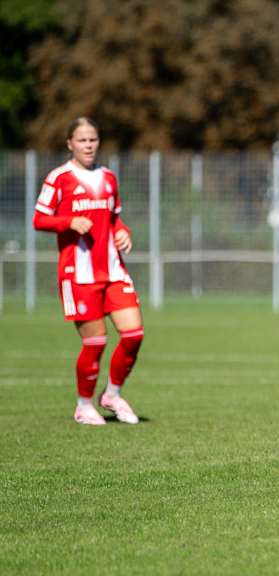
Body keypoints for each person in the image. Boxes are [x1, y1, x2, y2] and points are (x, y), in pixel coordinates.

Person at [33, 117, 144, 426]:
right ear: (70, 143)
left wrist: (123, 232)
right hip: (78, 275)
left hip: (112, 270)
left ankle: (111, 395)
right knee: (96, 342)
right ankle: (84, 405)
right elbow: (39, 220)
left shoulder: (108, 178)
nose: (88, 145)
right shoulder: (59, 178)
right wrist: (68, 221)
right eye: (82, 140)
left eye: (93, 139)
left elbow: (114, 220)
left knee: (134, 334)